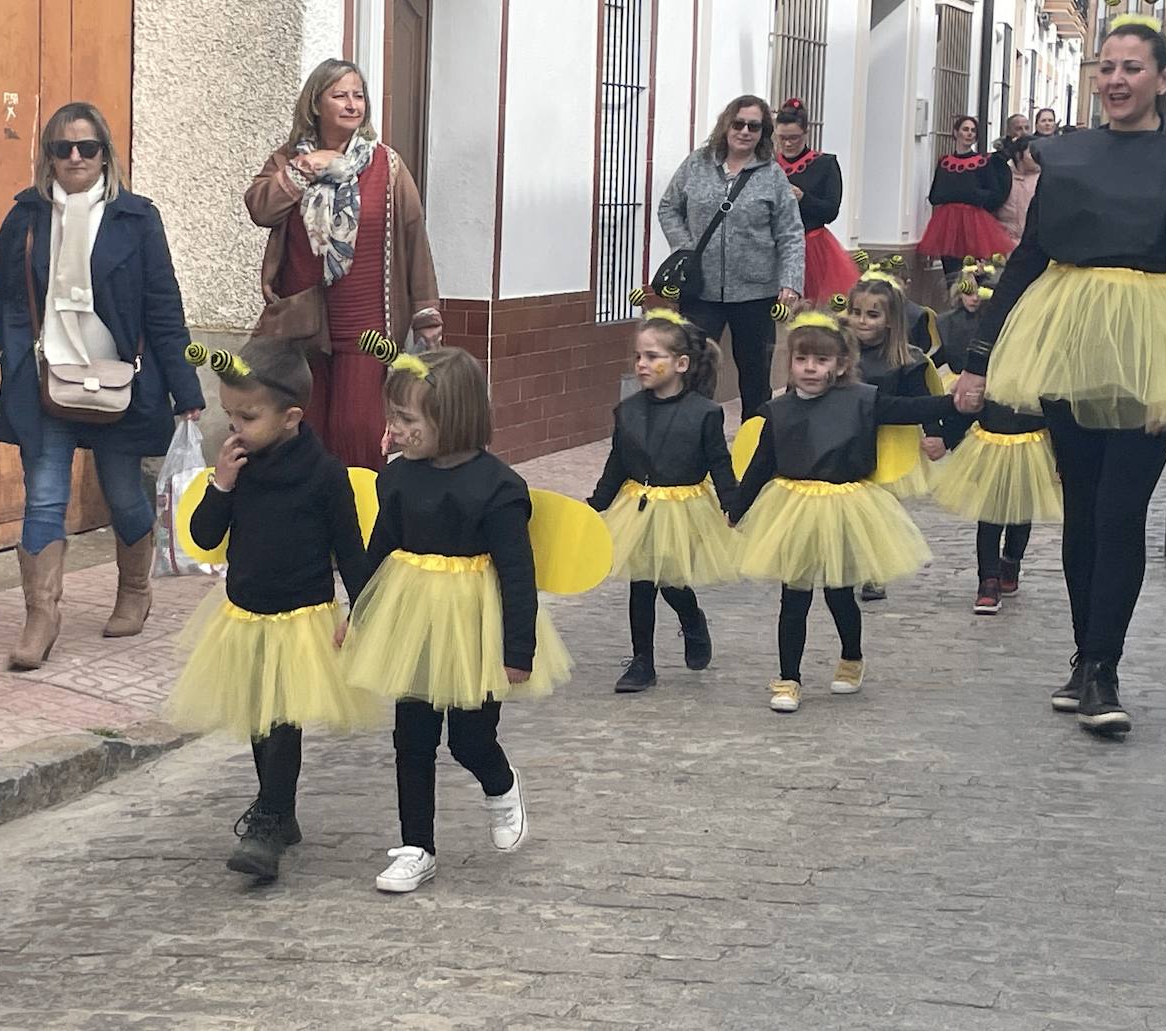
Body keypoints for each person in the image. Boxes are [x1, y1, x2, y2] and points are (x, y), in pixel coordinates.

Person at [955, 15, 1166, 735]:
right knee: (1083, 508)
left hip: (1153, 344)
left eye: (1132, 67)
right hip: (1070, 338)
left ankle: (1105, 668)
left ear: (1163, 79)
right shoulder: (1068, 154)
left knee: (1122, 510)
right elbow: (1030, 256)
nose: (1116, 79)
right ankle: (1086, 659)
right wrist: (978, 359)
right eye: (1106, 67)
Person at [339, 347, 572, 893]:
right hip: (413, 621)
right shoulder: (397, 478)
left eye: (406, 419)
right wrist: (360, 614)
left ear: (451, 418)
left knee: (469, 738)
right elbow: (380, 549)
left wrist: (518, 650)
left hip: (473, 628)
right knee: (411, 738)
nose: (394, 429)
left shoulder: (498, 488)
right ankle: (416, 846)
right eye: (393, 416)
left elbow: (517, 575)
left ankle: (501, 784)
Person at [0, 101, 205, 671]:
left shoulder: (137, 218)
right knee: (45, 496)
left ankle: (134, 590)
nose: (76, 157)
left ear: (106, 153)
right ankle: (41, 617)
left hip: (121, 384)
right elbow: (2, 296)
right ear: (48, 157)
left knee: (124, 493)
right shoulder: (26, 217)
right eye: (63, 148)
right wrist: (12, 358)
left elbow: (163, 308)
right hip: (46, 384)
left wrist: (186, 389)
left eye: (87, 147)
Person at [165, 339, 375, 883]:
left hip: (300, 620)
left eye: (248, 417)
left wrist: (361, 611)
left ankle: (268, 822)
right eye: (229, 414)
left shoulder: (325, 475)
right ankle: (280, 811)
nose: (234, 428)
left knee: (282, 720)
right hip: (244, 616)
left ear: (291, 418)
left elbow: (351, 551)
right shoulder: (239, 467)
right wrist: (221, 485)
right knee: (261, 717)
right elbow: (203, 537)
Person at [729, 314, 971, 714]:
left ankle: (851, 657)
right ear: (790, 363)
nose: (810, 368)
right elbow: (761, 465)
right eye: (802, 359)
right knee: (794, 596)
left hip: (844, 506)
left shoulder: (863, 399)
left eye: (821, 360)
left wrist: (953, 401)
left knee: (839, 592)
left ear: (841, 365)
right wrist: (737, 509)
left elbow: (910, 408)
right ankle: (789, 678)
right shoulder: (777, 411)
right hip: (793, 507)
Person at [244, 59, 442, 470]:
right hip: (302, 322)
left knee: (359, 429)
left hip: (367, 322)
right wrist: (303, 170)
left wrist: (426, 312)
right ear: (315, 104)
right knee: (306, 427)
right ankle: (313, 507)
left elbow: (414, 238)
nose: (353, 104)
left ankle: (361, 509)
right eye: (340, 95)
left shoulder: (387, 165)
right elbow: (260, 208)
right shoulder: (289, 160)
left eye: (359, 95)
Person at [587, 310, 740, 694]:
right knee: (641, 582)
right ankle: (643, 660)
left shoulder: (704, 413)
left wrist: (732, 502)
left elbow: (719, 461)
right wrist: (597, 503)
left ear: (681, 364)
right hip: (638, 507)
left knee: (670, 579)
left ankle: (692, 619)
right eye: (638, 356)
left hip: (683, 508)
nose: (642, 364)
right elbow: (618, 461)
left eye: (653, 356)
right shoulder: (628, 411)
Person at [658, 94, 805, 417]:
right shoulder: (697, 164)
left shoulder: (772, 174)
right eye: (738, 124)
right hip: (701, 289)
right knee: (694, 368)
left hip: (756, 291)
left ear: (763, 132)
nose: (745, 132)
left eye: (754, 126)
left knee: (755, 375)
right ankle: (694, 434)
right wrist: (685, 247)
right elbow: (668, 207)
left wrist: (791, 281)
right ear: (726, 125)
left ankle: (755, 439)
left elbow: (791, 232)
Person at [931, 278, 1061, 617]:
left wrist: (1064, 456)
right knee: (989, 515)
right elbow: (966, 409)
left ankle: (1011, 561)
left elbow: (1058, 412)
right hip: (990, 445)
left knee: (1020, 512)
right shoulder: (983, 367)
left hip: (1031, 446)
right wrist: (946, 438)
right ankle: (987, 580)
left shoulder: (1043, 366)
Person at [845, 273, 946, 601]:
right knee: (850, 502)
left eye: (872, 314)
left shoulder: (906, 359)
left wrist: (935, 433)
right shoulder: (837, 352)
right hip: (846, 436)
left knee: (880, 507)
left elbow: (923, 399)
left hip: (890, 442)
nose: (862, 321)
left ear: (890, 320)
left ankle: (875, 570)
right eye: (856, 312)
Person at [774, 98, 859, 305]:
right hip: (773, 245)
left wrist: (803, 198)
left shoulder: (825, 164)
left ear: (806, 133)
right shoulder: (769, 165)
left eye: (794, 137)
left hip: (812, 245)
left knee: (809, 307)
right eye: (782, 138)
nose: (788, 143)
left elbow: (831, 211)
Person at [918, 115, 1015, 282]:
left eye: (973, 131)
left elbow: (994, 192)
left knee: (976, 273)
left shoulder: (983, 162)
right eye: (965, 129)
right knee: (951, 274)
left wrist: (973, 196)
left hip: (975, 224)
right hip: (947, 224)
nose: (969, 133)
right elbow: (935, 195)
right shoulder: (945, 162)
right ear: (956, 133)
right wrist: (963, 193)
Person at [995, 136, 1040, 249]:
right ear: (1018, 155)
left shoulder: (1044, 178)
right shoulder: (1003, 175)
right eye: (1032, 153)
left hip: (1035, 245)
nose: (1038, 156)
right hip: (1003, 243)